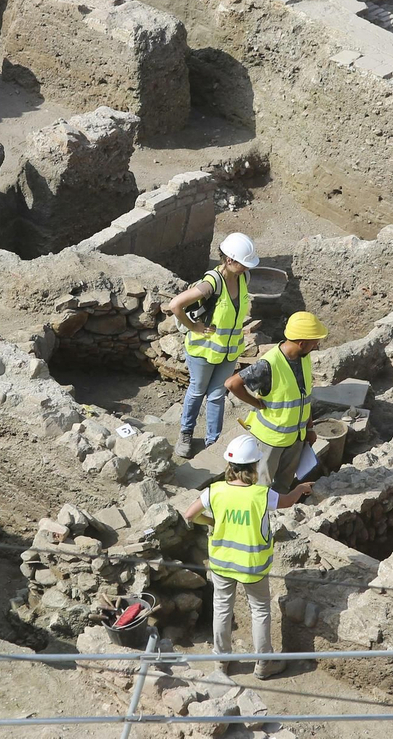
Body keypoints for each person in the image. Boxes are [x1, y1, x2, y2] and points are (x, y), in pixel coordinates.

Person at [182, 434, 313, 678]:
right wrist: (300, 489)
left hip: (221, 562)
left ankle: (221, 662)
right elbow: (287, 502)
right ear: (254, 466)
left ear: (229, 465)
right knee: (260, 611)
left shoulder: (215, 491)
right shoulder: (261, 494)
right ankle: (264, 664)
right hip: (253, 565)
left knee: (222, 609)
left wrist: (211, 521)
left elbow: (189, 515)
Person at [165, 232, 259, 459]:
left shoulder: (243, 278)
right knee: (197, 391)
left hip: (229, 351)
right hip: (203, 351)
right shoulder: (211, 284)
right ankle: (186, 434)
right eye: (243, 263)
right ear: (230, 260)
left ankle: (213, 442)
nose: (247, 268)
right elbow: (175, 305)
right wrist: (193, 327)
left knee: (217, 395)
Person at [226, 311, 328, 492]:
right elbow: (232, 384)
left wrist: (309, 428)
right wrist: (257, 403)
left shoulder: (304, 358)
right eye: (314, 342)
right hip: (270, 440)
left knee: (283, 484)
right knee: (261, 486)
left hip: (295, 438)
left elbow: (303, 398)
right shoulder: (269, 364)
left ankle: (281, 508)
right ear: (302, 343)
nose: (316, 345)